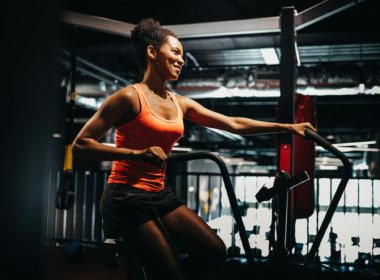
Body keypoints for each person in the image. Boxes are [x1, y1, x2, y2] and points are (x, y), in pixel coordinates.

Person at [72, 18, 316, 280]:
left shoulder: (180, 103)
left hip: (159, 194)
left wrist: (288, 127)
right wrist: (136, 154)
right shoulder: (130, 97)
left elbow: (233, 123)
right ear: (152, 52)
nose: (182, 60)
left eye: (183, 55)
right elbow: (81, 145)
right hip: (125, 198)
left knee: (214, 252)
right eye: (175, 52)